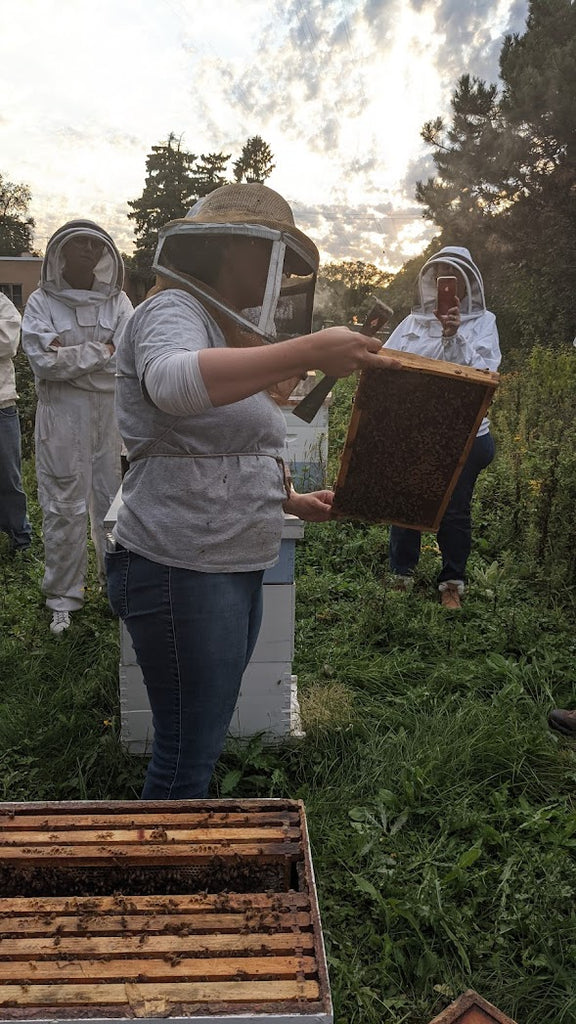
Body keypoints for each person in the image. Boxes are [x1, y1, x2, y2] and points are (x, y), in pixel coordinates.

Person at [107, 182, 400, 800]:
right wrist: (314, 348)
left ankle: (168, 863)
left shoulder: (222, 331)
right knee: (186, 754)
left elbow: (230, 448)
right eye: (275, 258)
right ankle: (161, 879)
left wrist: (287, 502)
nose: (282, 274)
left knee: (199, 740)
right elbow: (172, 386)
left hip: (230, 557)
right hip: (180, 563)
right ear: (236, 249)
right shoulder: (172, 310)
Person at [22, 220, 133, 634]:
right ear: (61, 253)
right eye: (78, 244)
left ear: (103, 253)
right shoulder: (40, 303)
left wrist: (72, 359)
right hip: (61, 419)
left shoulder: (119, 303)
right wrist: (101, 351)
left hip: (110, 418)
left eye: (93, 244)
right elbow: (42, 361)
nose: (87, 250)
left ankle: (116, 588)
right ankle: (63, 597)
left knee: (113, 505)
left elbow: (127, 358)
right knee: (62, 507)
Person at [383, 246, 501, 609]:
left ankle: (452, 583)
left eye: (451, 278)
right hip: (416, 432)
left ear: (465, 286)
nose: (442, 285)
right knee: (408, 500)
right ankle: (402, 575)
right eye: (438, 277)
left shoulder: (484, 323)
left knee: (454, 508)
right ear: (429, 283)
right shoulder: (411, 322)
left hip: (464, 434)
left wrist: (454, 336)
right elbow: (386, 362)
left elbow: (483, 374)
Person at [0, 292, 32, 555]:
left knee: (9, 476)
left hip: (2, 404)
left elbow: (8, 343)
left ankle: (21, 538)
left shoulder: (2, 304)